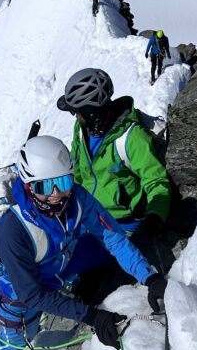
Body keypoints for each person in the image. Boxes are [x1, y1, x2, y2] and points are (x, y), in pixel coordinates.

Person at [0, 135, 167, 350]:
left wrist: (151, 277)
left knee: (104, 251)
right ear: (27, 186)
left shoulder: (78, 200)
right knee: (15, 339)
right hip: (17, 296)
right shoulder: (12, 231)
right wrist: (92, 316)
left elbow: (113, 239)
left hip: (58, 266)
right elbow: (31, 294)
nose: (57, 194)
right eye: (45, 187)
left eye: (63, 182)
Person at [57, 68, 170, 241]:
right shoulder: (82, 130)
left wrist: (156, 215)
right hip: (87, 215)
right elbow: (77, 169)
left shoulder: (132, 138)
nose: (75, 116)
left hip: (121, 226)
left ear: (90, 112)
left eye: (77, 111)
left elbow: (156, 181)